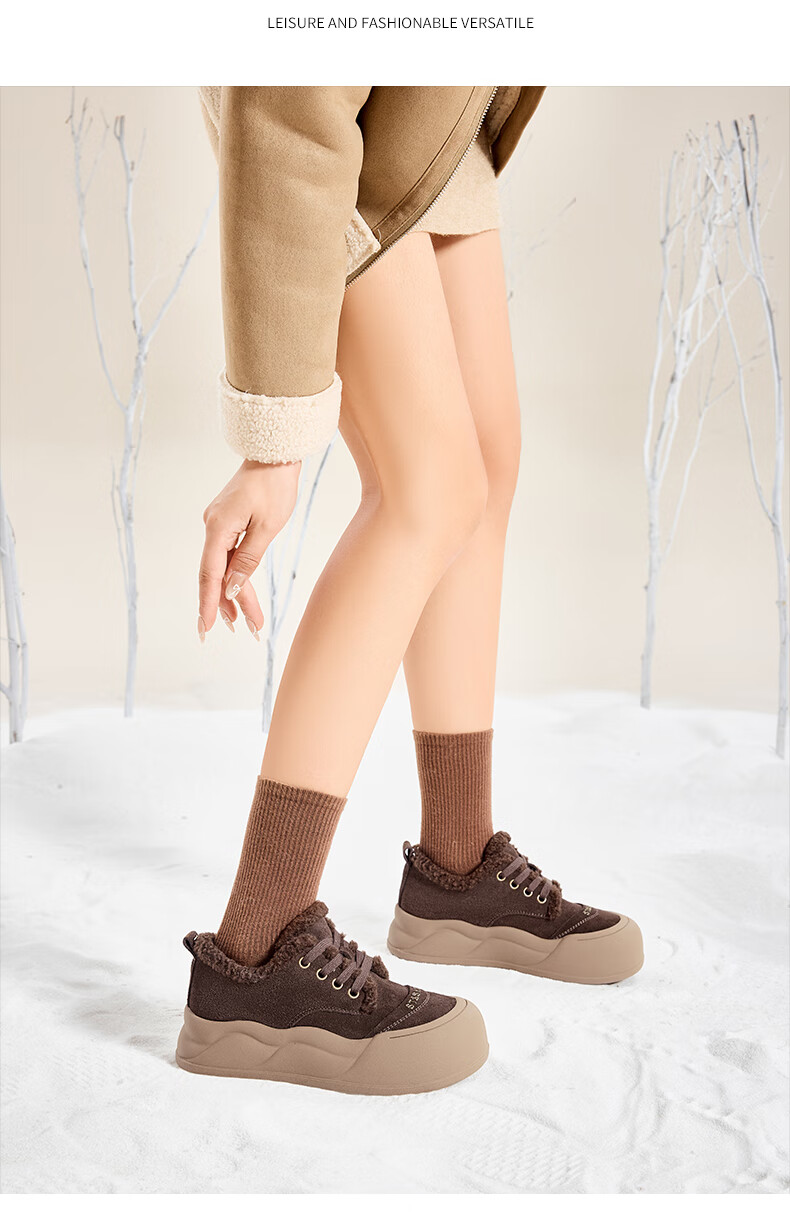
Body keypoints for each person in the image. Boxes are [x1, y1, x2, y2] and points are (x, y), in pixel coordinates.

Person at [175, 86, 644, 1096]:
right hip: (327, 143)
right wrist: (272, 441)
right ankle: (256, 950)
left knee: (486, 465)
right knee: (424, 491)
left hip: (428, 128)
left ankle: (457, 867)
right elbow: (282, 106)